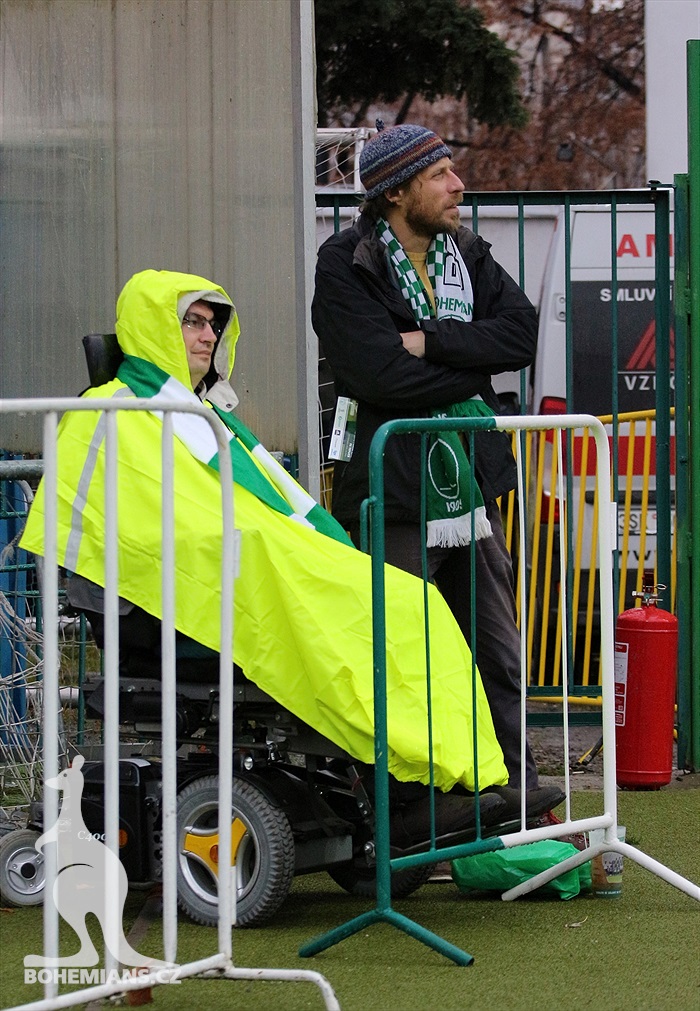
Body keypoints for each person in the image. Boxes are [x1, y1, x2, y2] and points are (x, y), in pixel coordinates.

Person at [21, 268, 516, 843]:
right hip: (155, 611)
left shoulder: (200, 416)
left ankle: (452, 783)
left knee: (410, 603)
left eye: (212, 324)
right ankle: (405, 800)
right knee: (355, 620)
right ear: (154, 327)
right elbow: (135, 535)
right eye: (191, 322)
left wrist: (286, 545)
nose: (207, 336)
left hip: (232, 582)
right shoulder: (107, 414)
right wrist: (262, 549)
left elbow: (248, 510)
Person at [312, 124, 563, 818]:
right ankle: (409, 809)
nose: (458, 186)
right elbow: (375, 373)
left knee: (496, 652)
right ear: (395, 190)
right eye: (440, 174)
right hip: (391, 494)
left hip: (468, 490)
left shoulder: (465, 252)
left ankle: (514, 794)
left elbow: (521, 333)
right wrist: (471, 371)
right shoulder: (346, 261)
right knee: (404, 657)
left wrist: (434, 341)